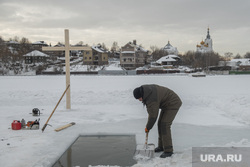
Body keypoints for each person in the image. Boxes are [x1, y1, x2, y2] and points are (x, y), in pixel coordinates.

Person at [133, 84, 182, 158]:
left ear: (142, 94)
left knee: (164, 125)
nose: (140, 100)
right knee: (160, 124)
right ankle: (161, 146)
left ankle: (168, 150)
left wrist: (148, 127)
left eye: (139, 98)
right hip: (166, 104)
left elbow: (153, 116)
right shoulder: (146, 91)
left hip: (173, 103)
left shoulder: (151, 98)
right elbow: (152, 112)